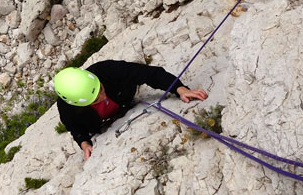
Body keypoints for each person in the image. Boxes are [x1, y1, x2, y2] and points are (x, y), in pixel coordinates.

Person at [54, 61, 208, 160]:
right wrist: (84, 143)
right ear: (77, 103)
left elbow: (149, 74)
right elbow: (75, 128)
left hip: (126, 102)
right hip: (104, 124)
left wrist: (179, 88)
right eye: (95, 99)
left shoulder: (106, 70)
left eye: (100, 88)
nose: (103, 95)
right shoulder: (67, 109)